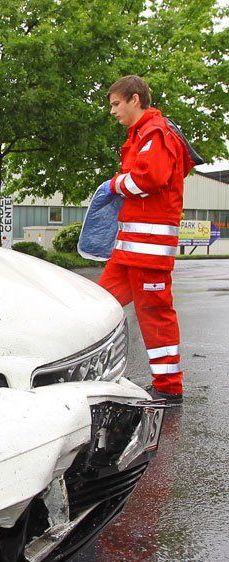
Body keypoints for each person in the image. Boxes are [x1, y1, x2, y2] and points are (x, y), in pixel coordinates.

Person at [97, 75, 199, 404]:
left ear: (135, 99)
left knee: (154, 314)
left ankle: (168, 386)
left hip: (147, 251)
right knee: (98, 304)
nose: (112, 111)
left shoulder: (155, 133)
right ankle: (84, 370)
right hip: (131, 249)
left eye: (116, 104)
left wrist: (114, 184)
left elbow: (149, 178)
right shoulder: (143, 135)